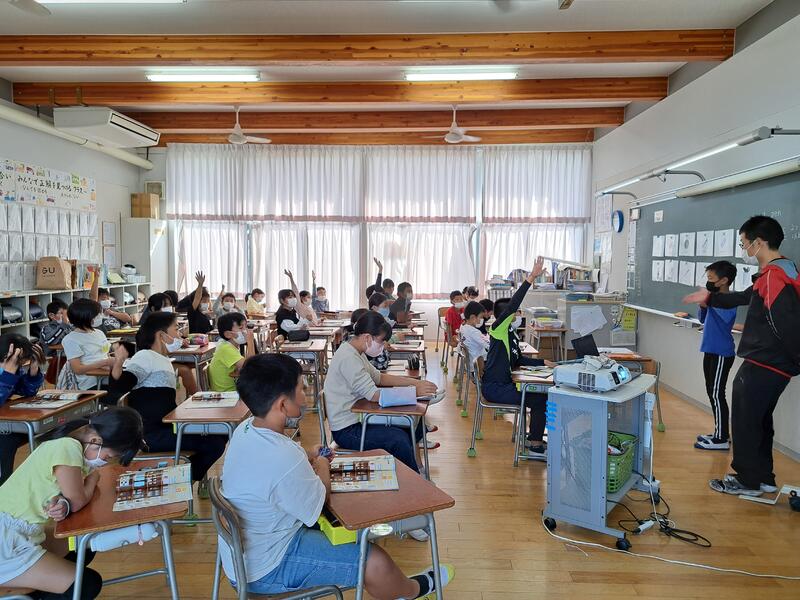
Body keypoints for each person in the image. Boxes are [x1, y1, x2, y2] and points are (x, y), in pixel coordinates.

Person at [219, 352, 452, 598]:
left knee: (355, 537)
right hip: (269, 569)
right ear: (283, 404)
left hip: (244, 558)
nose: (305, 394)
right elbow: (319, 502)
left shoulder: (246, 429)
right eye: (301, 388)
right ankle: (414, 591)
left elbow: (276, 469)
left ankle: (399, 586)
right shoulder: (283, 456)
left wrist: (307, 455)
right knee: (374, 561)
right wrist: (322, 463)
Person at [684, 216, 800, 496]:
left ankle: (748, 481)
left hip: (766, 361)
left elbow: (784, 322)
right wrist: (709, 297)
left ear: (758, 243)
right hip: (774, 363)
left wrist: (795, 357)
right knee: (760, 420)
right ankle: (764, 477)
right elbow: (743, 297)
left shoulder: (773, 277)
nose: (744, 249)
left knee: (746, 420)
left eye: (744, 243)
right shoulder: (781, 271)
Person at [0, 406, 145, 599]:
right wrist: (93, 478)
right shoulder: (68, 447)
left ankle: (36, 585)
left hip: (21, 532)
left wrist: (64, 501)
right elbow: (77, 501)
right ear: (95, 441)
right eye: (108, 457)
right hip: (7, 541)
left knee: (82, 547)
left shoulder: (72, 445)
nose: (105, 463)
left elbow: (67, 495)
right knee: (86, 584)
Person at [110, 313, 224, 486]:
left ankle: (182, 480)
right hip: (150, 435)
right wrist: (119, 360)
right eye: (176, 329)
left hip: (167, 427)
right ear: (161, 335)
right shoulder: (145, 356)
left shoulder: (162, 359)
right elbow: (121, 385)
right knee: (215, 442)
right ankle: (180, 483)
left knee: (219, 432)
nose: (180, 335)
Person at [323, 312, 436, 476]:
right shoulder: (348, 358)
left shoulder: (356, 352)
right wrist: (414, 392)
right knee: (398, 439)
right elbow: (374, 395)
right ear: (367, 337)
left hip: (359, 418)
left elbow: (379, 377)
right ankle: (413, 481)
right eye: (381, 341)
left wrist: (415, 383)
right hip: (347, 430)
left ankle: (417, 470)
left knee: (412, 424)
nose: (383, 345)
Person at [482, 258, 555, 460]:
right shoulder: (498, 329)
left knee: (540, 396)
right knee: (540, 399)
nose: (518, 315)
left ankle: (534, 439)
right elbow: (513, 305)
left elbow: (518, 360)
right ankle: (535, 445)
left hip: (505, 384)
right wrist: (530, 278)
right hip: (495, 388)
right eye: (516, 313)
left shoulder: (510, 334)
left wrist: (543, 363)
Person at [694, 261, 738, 452]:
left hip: (722, 352)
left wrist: (709, 302)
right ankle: (720, 432)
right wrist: (703, 306)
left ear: (723, 280)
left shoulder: (728, 299)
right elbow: (702, 319)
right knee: (711, 390)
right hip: (710, 350)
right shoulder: (713, 298)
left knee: (717, 393)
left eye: (711, 278)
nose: (708, 281)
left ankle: (721, 438)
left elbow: (726, 319)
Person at [0, 334, 45, 485]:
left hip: (5, 424)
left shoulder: (13, 369)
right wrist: (7, 374)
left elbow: (27, 391)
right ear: (5, 356)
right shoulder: (8, 370)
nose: (19, 366)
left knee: (43, 433)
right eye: (17, 361)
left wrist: (34, 369)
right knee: (6, 441)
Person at [61, 298, 114, 391]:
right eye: (97, 314)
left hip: (107, 377)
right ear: (86, 317)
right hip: (91, 385)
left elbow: (105, 354)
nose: (100, 316)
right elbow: (77, 369)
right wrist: (103, 363)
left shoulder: (99, 333)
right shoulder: (70, 339)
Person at [209, 312, 256, 393]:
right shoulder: (226, 349)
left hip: (232, 390)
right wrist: (250, 341)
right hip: (227, 393)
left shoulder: (229, 346)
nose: (245, 331)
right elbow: (250, 366)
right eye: (241, 328)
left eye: (246, 326)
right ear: (228, 334)